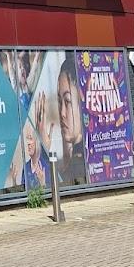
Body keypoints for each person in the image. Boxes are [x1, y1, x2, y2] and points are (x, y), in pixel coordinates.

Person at [55, 56, 87, 185]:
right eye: (59, 101)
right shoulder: (74, 159)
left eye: (67, 101)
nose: (62, 113)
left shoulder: (79, 162)